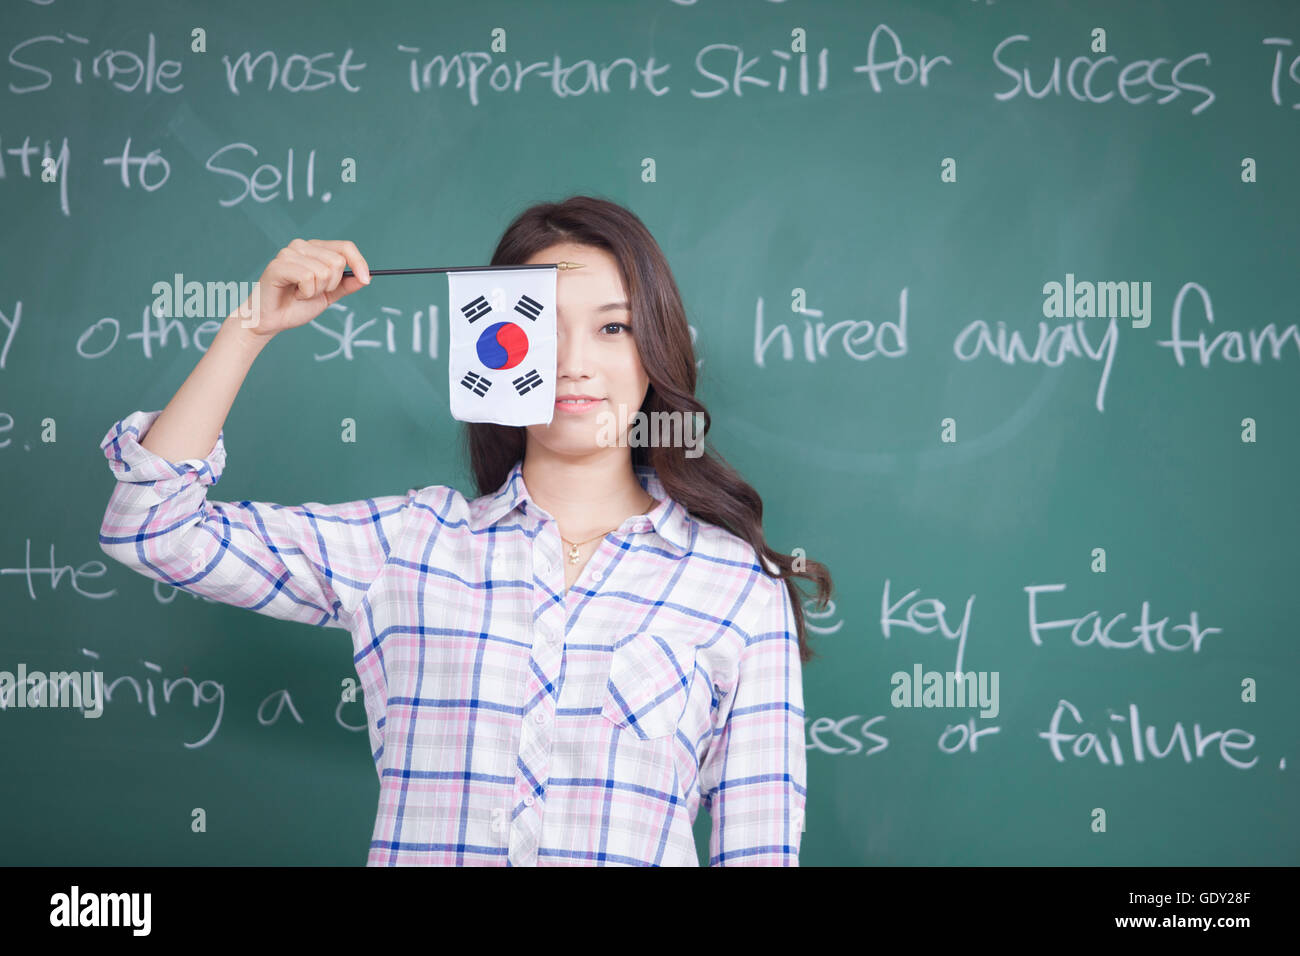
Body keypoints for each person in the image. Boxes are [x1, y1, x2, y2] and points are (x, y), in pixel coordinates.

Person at [98, 195, 832, 866]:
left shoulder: (735, 588)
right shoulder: (409, 546)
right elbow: (154, 528)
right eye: (538, 327)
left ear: (654, 355)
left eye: (613, 327)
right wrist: (250, 328)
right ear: (493, 344)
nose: (573, 363)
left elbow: (760, 853)